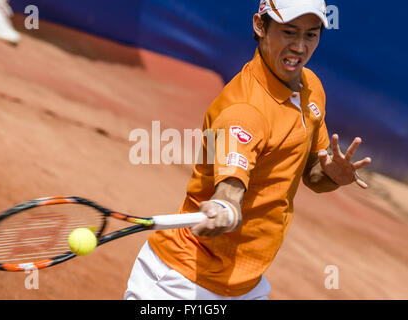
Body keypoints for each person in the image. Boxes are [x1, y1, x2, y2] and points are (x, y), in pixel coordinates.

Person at [124, 0, 372, 300]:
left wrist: (332, 174)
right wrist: (225, 207)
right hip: (180, 283)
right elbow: (230, 187)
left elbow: (313, 175)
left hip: (245, 285)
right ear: (260, 26)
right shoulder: (243, 112)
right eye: (289, 32)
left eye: (310, 35)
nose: (299, 46)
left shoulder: (311, 88)